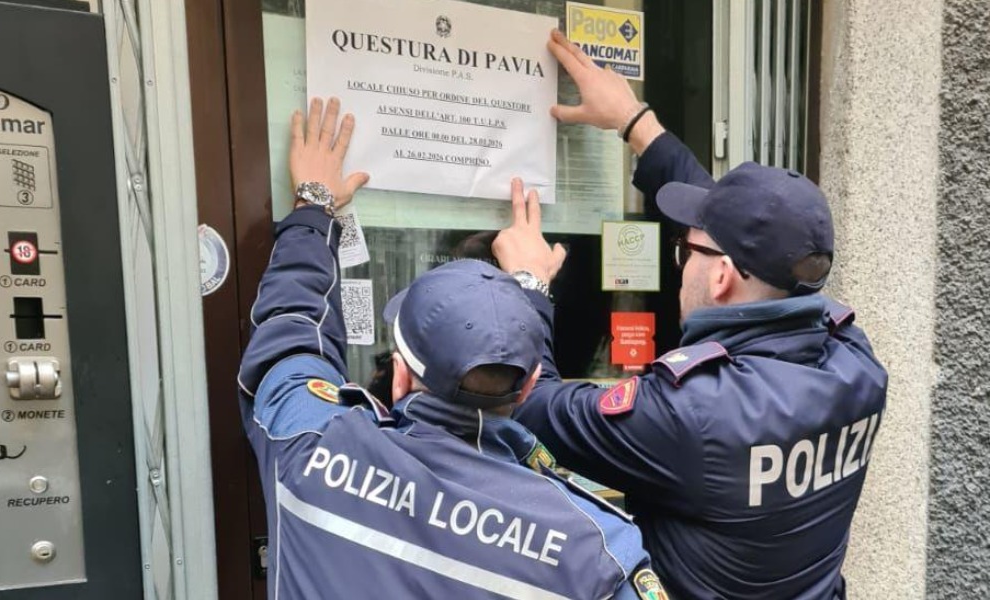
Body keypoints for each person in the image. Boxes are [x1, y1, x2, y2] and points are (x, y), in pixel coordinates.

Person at [490, 30, 889, 600]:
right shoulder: (854, 360)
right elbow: (747, 230)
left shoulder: (692, 413)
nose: (680, 259)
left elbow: (532, 404)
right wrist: (634, 121)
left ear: (722, 276)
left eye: (685, 248)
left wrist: (528, 283)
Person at [238, 96, 669, 599]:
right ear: (530, 386)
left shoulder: (310, 444)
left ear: (398, 376)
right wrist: (528, 289)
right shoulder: (596, 551)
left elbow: (288, 337)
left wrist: (314, 206)